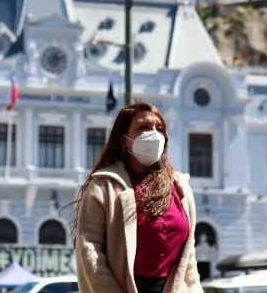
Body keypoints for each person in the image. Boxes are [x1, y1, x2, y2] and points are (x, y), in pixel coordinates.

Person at [72, 102, 202, 293]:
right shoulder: (103, 186)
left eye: (159, 129)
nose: (154, 134)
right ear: (124, 140)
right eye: (143, 127)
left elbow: (188, 258)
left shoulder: (181, 188)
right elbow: (89, 248)